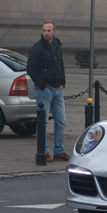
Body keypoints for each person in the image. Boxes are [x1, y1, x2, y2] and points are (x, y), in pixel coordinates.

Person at [27, 20, 69, 163]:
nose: (45, 33)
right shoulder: (36, 48)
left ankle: (59, 151)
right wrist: (42, 85)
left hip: (57, 89)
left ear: (54, 32)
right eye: (44, 30)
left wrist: (63, 82)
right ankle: (43, 151)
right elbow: (31, 69)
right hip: (44, 90)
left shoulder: (58, 47)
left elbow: (61, 65)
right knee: (43, 122)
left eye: (48, 31)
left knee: (61, 121)